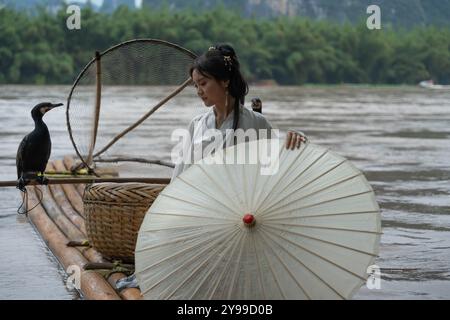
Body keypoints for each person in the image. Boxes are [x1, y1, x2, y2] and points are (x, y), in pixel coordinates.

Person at [116, 44, 307, 291]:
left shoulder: (257, 124)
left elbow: (276, 172)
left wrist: (298, 139)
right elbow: (180, 180)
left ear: (225, 81)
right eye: (196, 85)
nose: (199, 91)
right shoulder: (198, 125)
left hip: (241, 218)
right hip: (201, 216)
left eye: (203, 83)